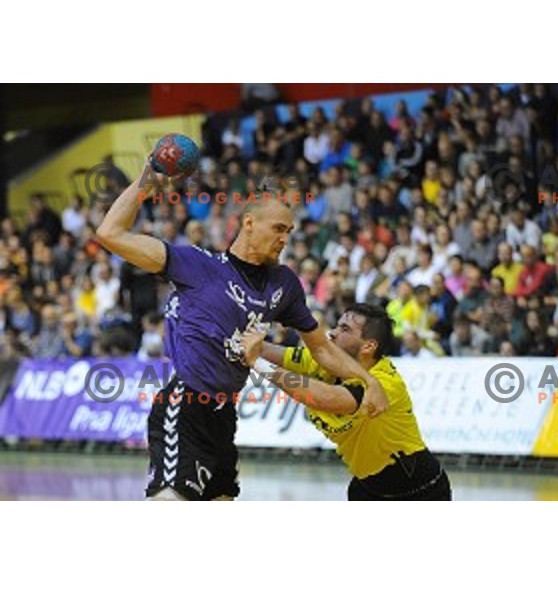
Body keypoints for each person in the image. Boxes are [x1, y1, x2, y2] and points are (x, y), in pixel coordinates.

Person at [95, 162, 388, 501]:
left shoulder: (285, 284)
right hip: (186, 406)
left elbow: (321, 348)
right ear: (248, 223)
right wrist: (148, 178)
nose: (284, 239)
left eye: (289, 232)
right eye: (278, 228)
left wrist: (370, 381)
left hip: (224, 415)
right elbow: (110, 234)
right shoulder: (197, 265)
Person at [241, 303, 451, 501]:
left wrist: (257, 364)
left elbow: (327, 398)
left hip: (419, 489)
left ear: (368, 346)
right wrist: (239, 338)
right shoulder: (322, 361)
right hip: (367, 486)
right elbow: (265, 350)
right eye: (337, 325)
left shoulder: (383, 383)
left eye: (345, 329)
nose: (332, 333)